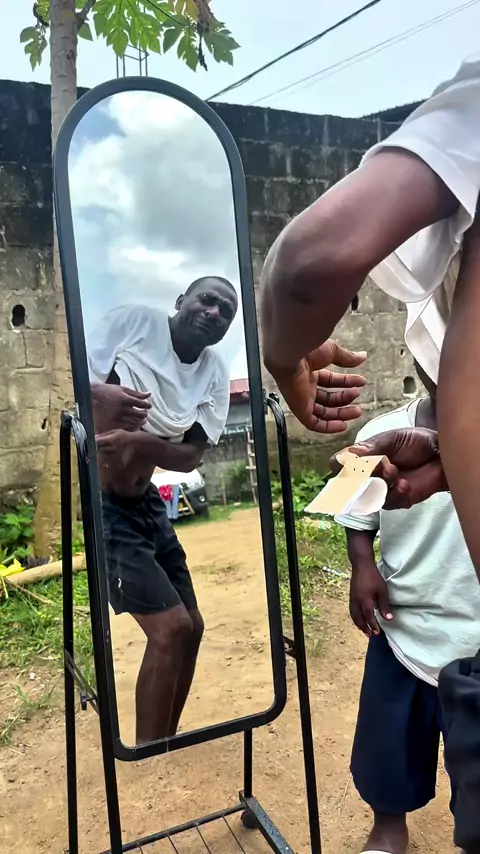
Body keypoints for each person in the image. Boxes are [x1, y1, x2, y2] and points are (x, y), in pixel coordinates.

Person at [334, 362, 480, 854]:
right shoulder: (379, 433)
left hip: (476, 635)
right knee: (388, 743)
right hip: (404, 625)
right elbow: (354, 507)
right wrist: (362, 565)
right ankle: (388, 824)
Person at [87, 276, 238, 743]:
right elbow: (76, 379)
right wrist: (102, 394)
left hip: (147, 503)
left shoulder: (213, 371)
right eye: (207, 300)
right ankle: (148, 756)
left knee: (193, 627)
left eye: (226, 312)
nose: (214, 313)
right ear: (181, 300)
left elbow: (190, 456)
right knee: (171, 628)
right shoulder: (133, 323)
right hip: (106, 506)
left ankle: (164, 745)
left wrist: (138, 441)